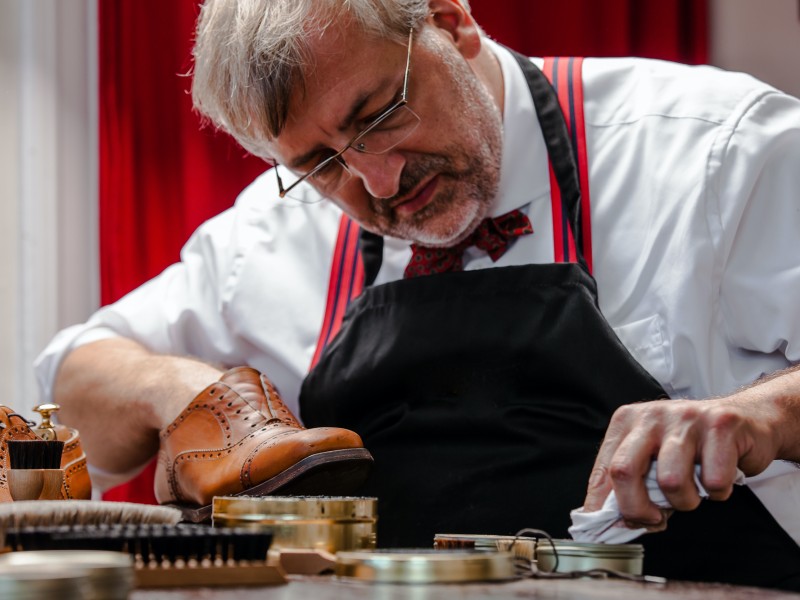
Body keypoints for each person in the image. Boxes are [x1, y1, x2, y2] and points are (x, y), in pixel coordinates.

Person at [36, 0, 800, 588]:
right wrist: (183, 392)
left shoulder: (718, 149)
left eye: (379, 116)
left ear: (451, 21)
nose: (379, 181)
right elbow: (73, 382)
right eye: (321, 164)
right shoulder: (270, 235)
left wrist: (763, 410)